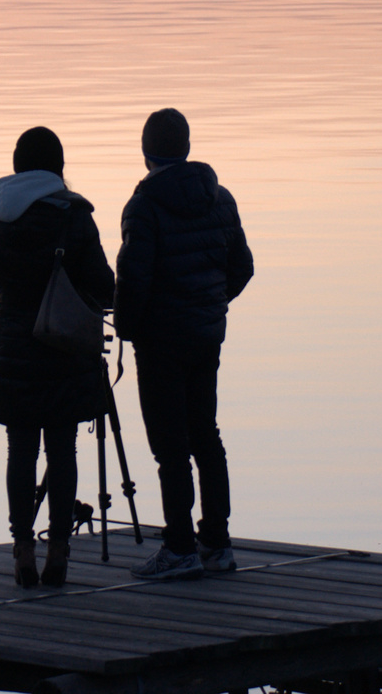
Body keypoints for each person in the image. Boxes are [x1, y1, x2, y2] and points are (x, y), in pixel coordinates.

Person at [0, 126, 115, 588]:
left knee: (20, 449)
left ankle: (22, 549)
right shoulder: (74, 214)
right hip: (63, 346)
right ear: (58, 167)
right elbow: (103, 287)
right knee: (63, 448)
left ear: (16, 165)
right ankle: (61, 555)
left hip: (12, 346)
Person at [114, 108, 254, 581]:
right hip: (206, 334)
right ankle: (216, 542)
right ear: (187, 148)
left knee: (170, 447)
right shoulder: (221, 199)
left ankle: (179, 548)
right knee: (206, 436)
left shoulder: (143, 206)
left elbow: (134, 281)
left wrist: (128, 328)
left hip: (161, 342)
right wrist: (212, 302)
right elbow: (242, 268)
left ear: (146, 152)